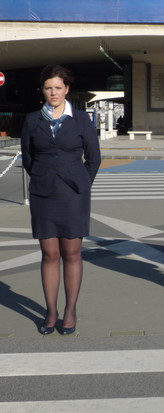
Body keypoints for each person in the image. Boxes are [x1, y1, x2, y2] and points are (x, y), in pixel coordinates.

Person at [20, 64, 101, 334]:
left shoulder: (80, 119)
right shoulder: (32, 120)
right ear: (42, 90)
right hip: (43, 194)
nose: (53, 92)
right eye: (48, 88)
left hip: (73, 195)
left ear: (66, 89)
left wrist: (80, 183)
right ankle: (51, 311)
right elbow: (29, 158)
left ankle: (70, 310)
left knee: (71, 253)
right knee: (49, 254)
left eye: (58, 87)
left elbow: (94, 158)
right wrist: (45, 177)